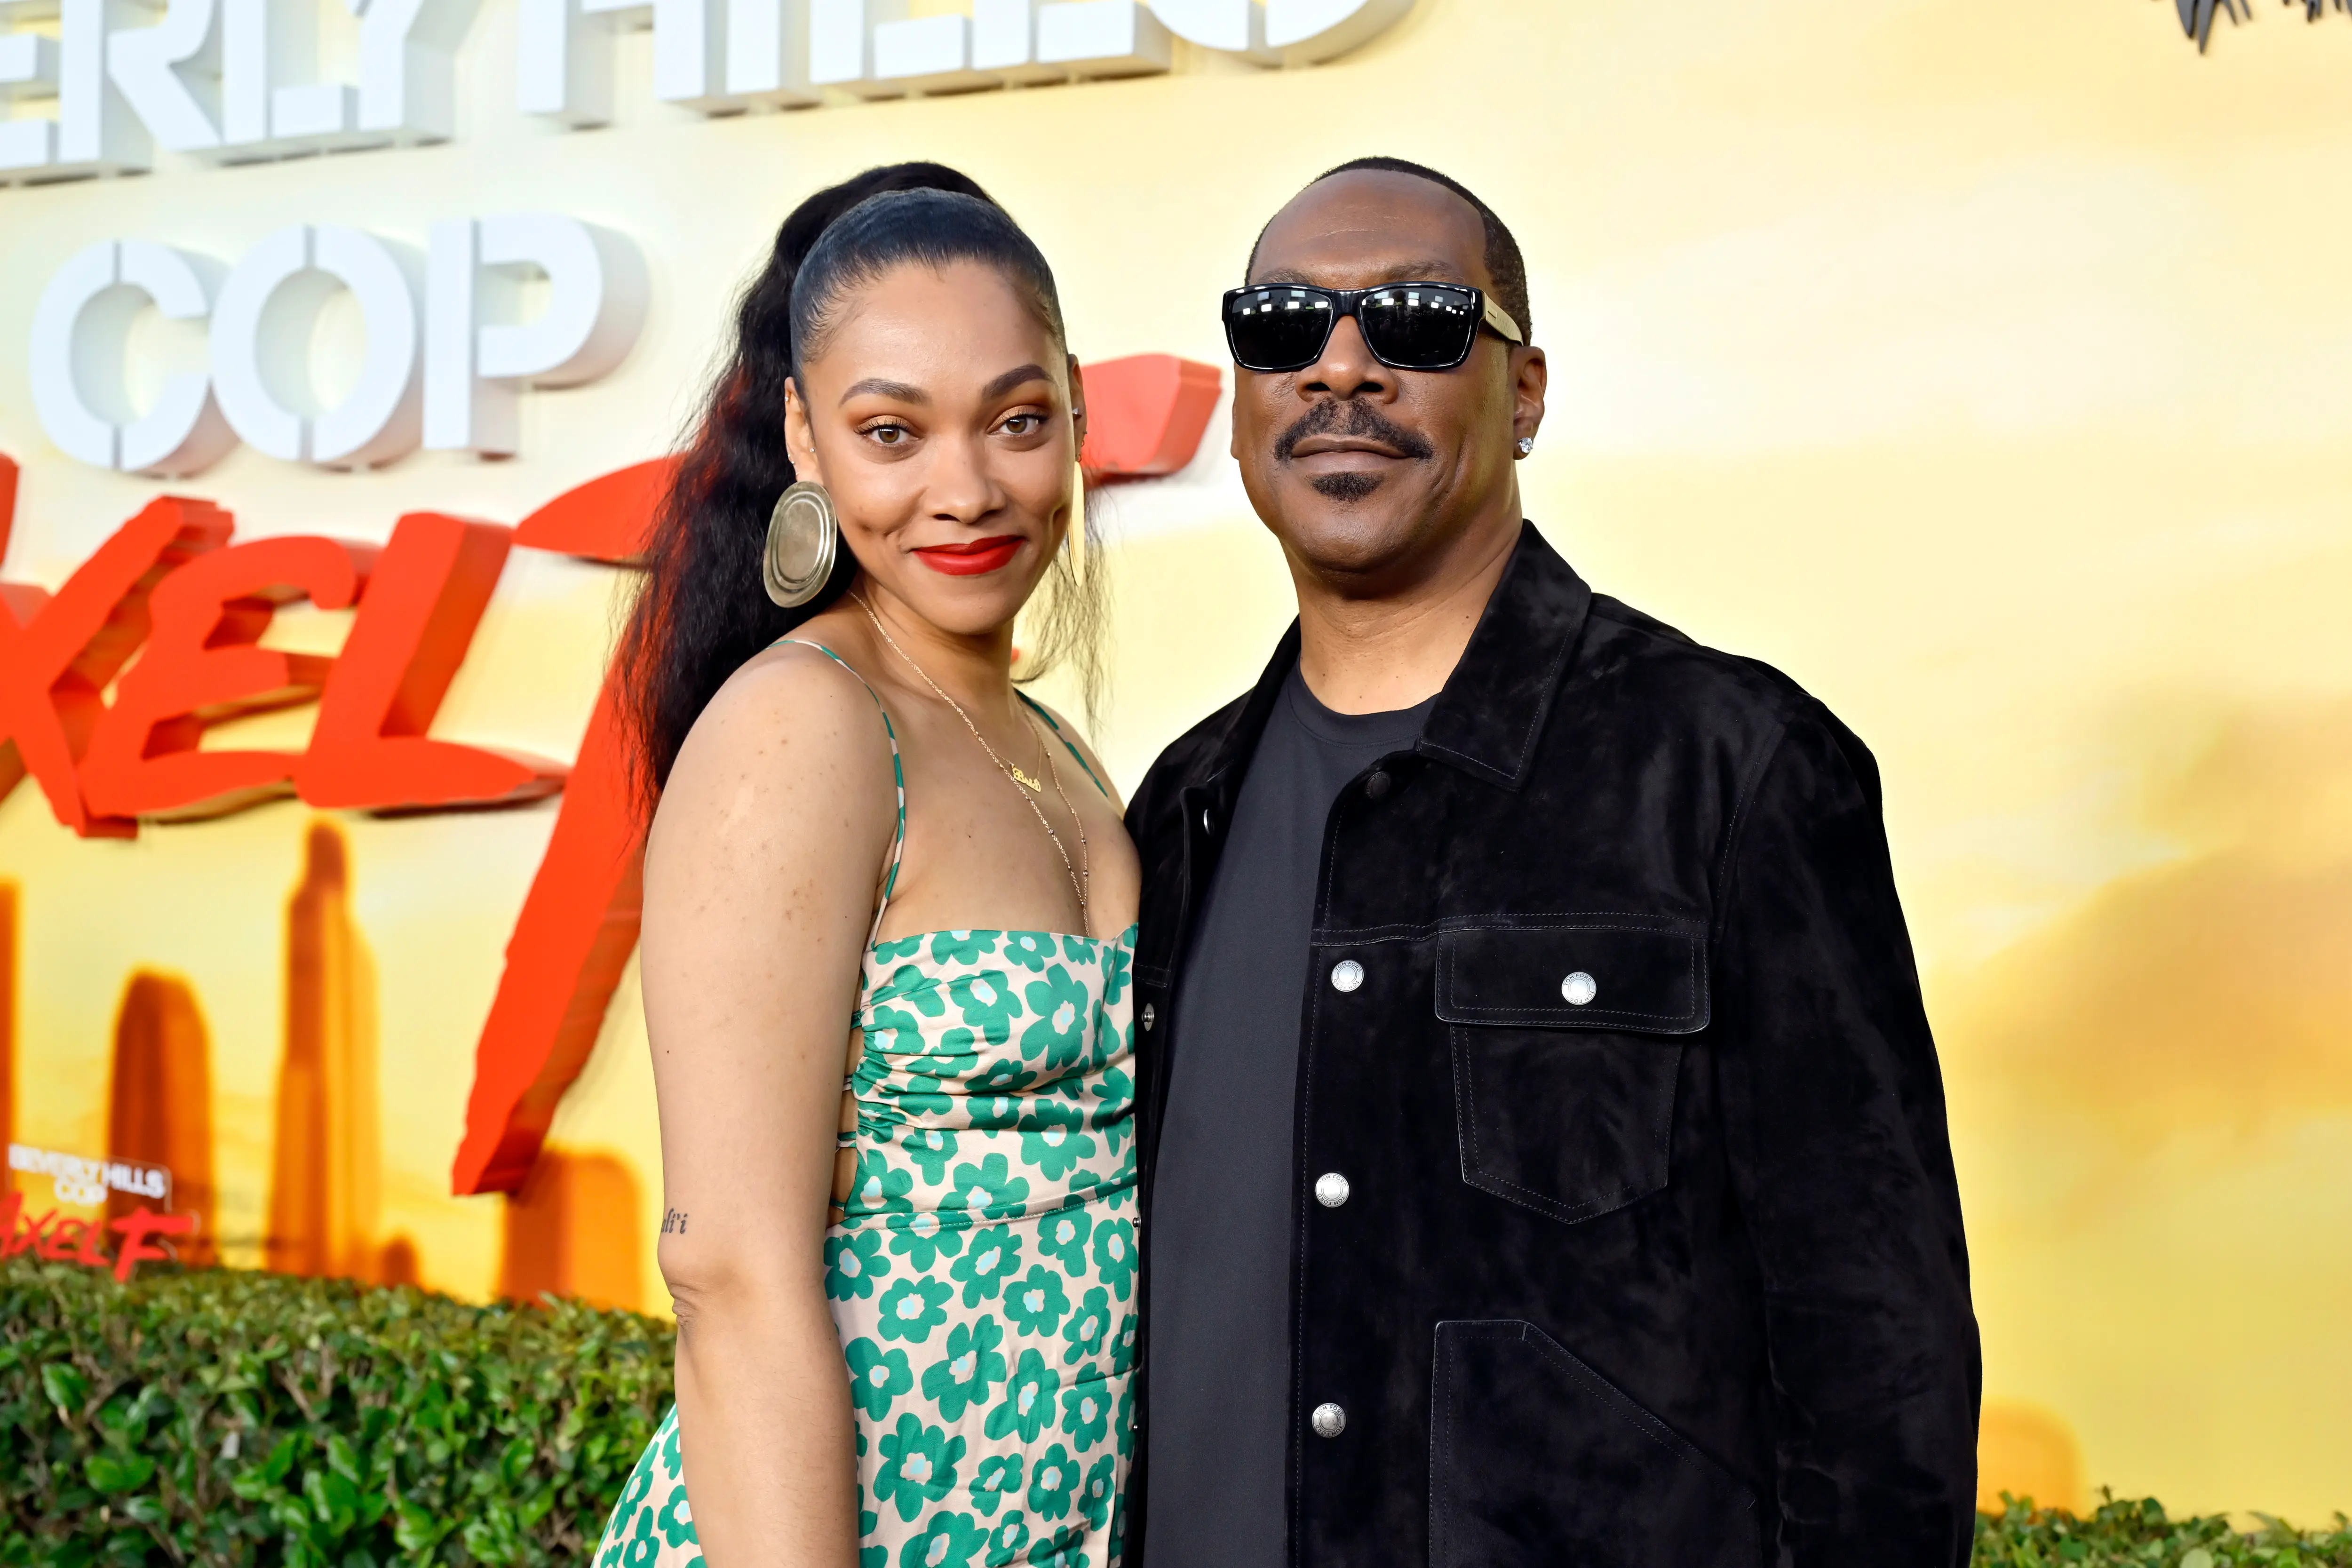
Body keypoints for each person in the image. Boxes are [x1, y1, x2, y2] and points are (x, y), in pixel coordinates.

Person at [1124, 158, 1980, 1567]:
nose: (1343, 368)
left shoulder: (1732, 765)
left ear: (1523, 394)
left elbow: (1882, 1359)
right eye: (1282, 325)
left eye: (1417, 322)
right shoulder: (1180, 807)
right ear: (1242, 402)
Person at [594, 164, 1140, 1568]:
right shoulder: (805, 727)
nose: (964, 489)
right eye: (892, 431)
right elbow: (729, 1270)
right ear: (805, 435)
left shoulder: (1050, 746)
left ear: (1074, 407)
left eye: (1016, 421)